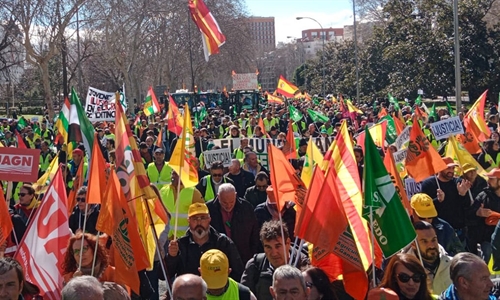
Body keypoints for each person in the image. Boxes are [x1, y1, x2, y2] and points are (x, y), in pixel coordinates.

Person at [165, 203, 244, 281]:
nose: (199, 222)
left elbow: (238, 272)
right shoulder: (180, 245)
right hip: (190, 291)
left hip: (218, 291)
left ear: (209, 219)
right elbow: (164, 275)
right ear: (188, 221)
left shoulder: (223, 242)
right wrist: (172, 257)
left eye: (203, 218)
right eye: (195, 218)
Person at [241, 220, 309, 300]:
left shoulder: (304, 265)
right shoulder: (255, 266)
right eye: (268, 247)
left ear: (287, 243)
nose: (274, 253)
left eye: (278, 246)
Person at [420, 157, 472, 243]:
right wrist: (438, 200)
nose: (451, 171)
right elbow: (424, 207)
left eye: (453, 168)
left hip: (458, 230)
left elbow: (467, 205)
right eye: (448, 168)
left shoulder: (458, 183)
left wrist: (463, 194)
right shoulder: (429, 184)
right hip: (439, 230)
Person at [206, 183, 260, 265]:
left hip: (243, 257)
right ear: (218, 196)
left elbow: (255, 233)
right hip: (217, 258)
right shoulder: (209, 209)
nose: (228, 206)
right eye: (224, 202)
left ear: (235, 195)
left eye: (231, 202)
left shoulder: (246, 208)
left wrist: (252, 254)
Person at [405, 221, 452, 295]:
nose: (431, 246)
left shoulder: (452, 265)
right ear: (413, 244)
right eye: (424, 241)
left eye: (433, 240)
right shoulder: (404, 269)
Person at [467, 167, 500, 263]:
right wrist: (477, 213)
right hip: (487, 240)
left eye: (492, 179)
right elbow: (469, 215)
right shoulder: (483, 195)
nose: (488, 181)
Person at [159, 170, 204, 239]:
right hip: (166, 238)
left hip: (185, 238)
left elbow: (202, 216)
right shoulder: (163, 191)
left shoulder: (193, 192)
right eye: (172, 173)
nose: (173, 176)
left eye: (176, 174)